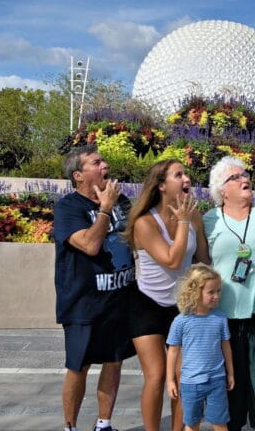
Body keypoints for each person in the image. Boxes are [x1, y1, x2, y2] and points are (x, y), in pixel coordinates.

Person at [53, 144, 136, 431]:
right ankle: (71, 427)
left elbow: (138, 237)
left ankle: (104, 424)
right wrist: (105, 209)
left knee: (114, 362)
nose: (105, 165)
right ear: (78, 175)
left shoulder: (122, 201)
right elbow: (89, 245)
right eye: (96, 162)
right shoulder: (68, 207)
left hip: (119, 299)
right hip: (83, 303)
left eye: (103, 161)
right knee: (80, 366)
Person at [123, 159, 209, 431]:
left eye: (186, 174)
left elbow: (203, 259)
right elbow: (172, 260)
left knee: (184, 377)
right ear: (161, 185)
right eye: (178, 175)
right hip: (147, 304)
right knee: (157, 375)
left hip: (181, 307)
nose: (187, 179)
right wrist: (183, 221)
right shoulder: (145, 222)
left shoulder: (194, 216)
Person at [203, 156, 255, 431]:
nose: (244, 179)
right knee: (231, 377)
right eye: (235, 177)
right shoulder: (209, 220)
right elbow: (203, 262)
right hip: (225, 311)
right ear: (222, 190)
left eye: (245, 174)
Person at [166, 264, 235, 431]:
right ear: (195, 292)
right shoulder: (181, 321)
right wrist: (170, 380)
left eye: (218, 291)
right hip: (190, 383)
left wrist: (230, 373)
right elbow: (173, 352)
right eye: (211, 292)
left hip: (217, 380)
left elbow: (226, 347)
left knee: (220, 422)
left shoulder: (220, 318)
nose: (216, 296)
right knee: (191, 424)